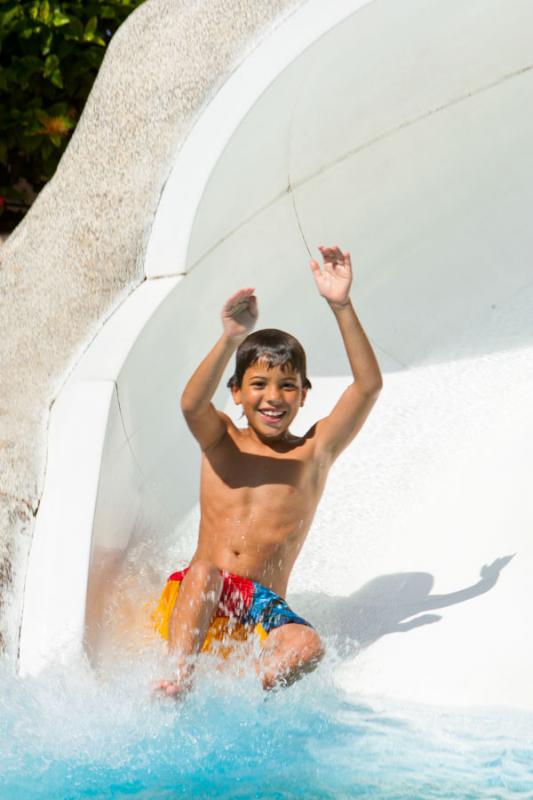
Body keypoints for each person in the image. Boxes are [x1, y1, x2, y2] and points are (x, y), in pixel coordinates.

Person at [153, 245, 382, 697]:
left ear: (303, 396)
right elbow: (190, 403)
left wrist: (341, 304)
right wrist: (231, 339)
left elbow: (368, 386)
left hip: (259, 608)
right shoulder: (221, 440)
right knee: (205, 572)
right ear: (236, 393)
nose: (273, 397)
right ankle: (178, 679)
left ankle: (246, 693)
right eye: (258, 384)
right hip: (200, 601)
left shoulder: (313, 453)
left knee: (309, 646)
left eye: (287, 386)